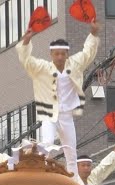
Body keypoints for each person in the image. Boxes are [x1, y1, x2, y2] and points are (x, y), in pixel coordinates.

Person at [17, 21, 101, 170]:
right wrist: (26, 41)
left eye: (63, 53)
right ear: (51, 54)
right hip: (48, 112)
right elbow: (26, 60)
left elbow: (88, 53)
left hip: (67, 114)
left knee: (71, 151)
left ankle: (75, 183)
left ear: (67, 54)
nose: (60, 57)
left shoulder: (74, 64)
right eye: (57, 54)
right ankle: (40, 170)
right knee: (47, 143)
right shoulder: (43, 67)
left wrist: (93, 34)